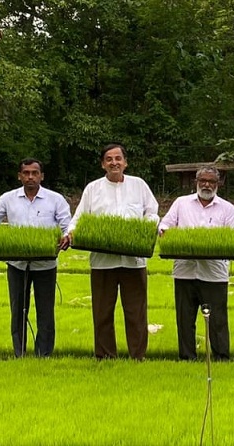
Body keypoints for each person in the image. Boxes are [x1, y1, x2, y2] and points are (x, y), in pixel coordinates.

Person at [66, 144, 159, 360]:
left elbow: (152, 213)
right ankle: (105, 355)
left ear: (125, 162)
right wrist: (71, 232)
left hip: (134, 262)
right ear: (102, 164)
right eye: (109, 159)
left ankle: (137, 356)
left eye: (118, 158)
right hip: (102, 263)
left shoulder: (139, 185)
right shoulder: (93, 189)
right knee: (102, 312)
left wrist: (145, 230)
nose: (114, 163)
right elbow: (79, 217)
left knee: (136, 313)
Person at [0, 158, 72, 357]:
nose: (30, 177)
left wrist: (67, 237)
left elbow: (67, 225)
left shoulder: (55, 199)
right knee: (18, 310)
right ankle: (19, 352)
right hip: (17, 265)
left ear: (42, 176)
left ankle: (43, 353)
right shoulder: (8, 198)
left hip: (45, 265)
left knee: (45, 311)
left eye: (35, 173)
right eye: (26, 173)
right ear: (19, 176)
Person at [159, 166, 234, 361]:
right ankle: (187, 357)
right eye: (203, 180)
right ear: (196, 181)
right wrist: (166, 233)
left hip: (214, 273)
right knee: (185, 319)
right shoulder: (181, 203)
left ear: (219, 184)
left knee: (217, 319)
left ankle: (221, 357)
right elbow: (165, 225)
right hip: (184, 272)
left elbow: (233, 238)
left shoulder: (227, 208)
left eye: (211, 181)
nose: (206, 184)